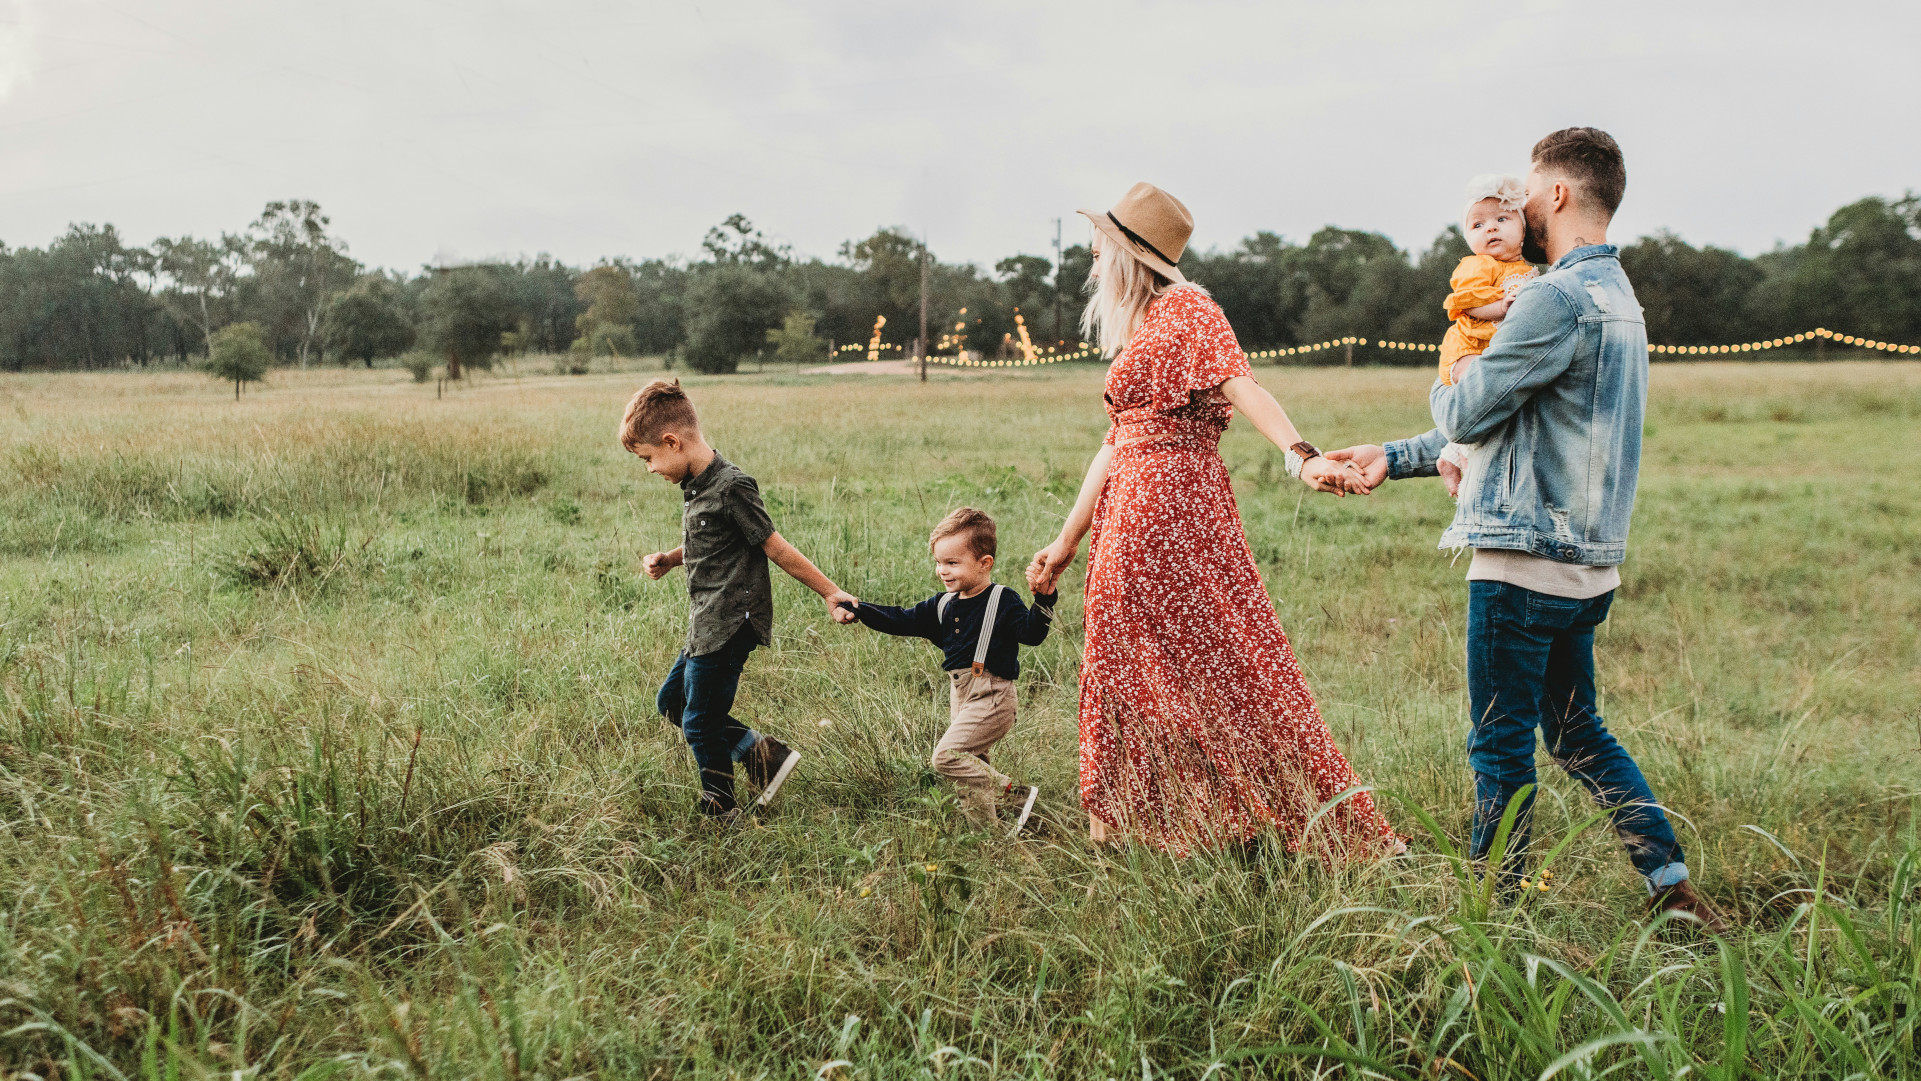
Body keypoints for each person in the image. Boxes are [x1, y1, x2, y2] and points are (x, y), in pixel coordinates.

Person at [1327, 128, 1728, 930]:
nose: (1516, 208)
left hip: (1520, 563)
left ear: (1557, 195)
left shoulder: (1550, 297)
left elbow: (1470, 408)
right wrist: (1395, 455)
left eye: (1527, 192)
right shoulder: (1619, 298)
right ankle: (1670, 885)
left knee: (1498, 744)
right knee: (1577, 732)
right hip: (1587, 566)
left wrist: (1449, 377)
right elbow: (1520, 421)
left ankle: (1490, 912)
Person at [1025, 181, 1399, 857]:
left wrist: (1300, 456)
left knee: (1222, 659)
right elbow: (1114, 443)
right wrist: (1064, 541)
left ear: (1126, 252)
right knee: (1127, 662)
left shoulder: (1188, 308)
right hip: (1130, 506)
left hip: (1169, 505)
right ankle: (1140, 826)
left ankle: (1277, 819)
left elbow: (1242, 384)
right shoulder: (1141, 325)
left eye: (1098, 243)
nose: (1089, 254)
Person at [620, 379, 859, 821]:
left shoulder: (732, 486)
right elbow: (710, 543)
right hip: (706, 621)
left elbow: (774, 546)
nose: (650, 468)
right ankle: (763, 757)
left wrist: (831, 592)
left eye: (649, 458)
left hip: (731, 622)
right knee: (672, 703)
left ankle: (721, 807)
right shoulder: (697, 486)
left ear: (672, 442)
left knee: (699, 721)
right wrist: (672, 559)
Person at [839, 507, 1054, 836]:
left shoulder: (1002, 599)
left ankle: (1013, 795)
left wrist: (1044, 598)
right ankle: (989, 840)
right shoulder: (942, 605)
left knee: (947, 758)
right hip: (962, 696)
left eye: (952, 563)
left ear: (985, 563)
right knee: (969, 775)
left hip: (994, 697)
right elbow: (900, 619)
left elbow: (1033, 635)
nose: (942, 570)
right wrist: (859, 609)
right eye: (939, 562)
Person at [1435, 175, 1539, 496]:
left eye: (1502, 219)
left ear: (1523, 230)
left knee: (1496, 402)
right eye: (1477, 225)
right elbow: (1467, 303)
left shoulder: (1527, 269)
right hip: (1467, 349)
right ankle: (1462, 458)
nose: (1490, 229)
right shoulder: (1479, 265)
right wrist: (1500, 307)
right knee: (1479, 393)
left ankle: (1453, 454)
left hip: (1492, 350)